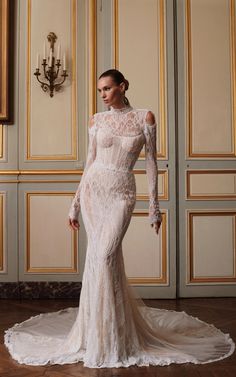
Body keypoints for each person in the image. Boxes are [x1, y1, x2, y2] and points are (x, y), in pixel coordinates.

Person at [4, 69, 235, 368]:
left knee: (105, 256)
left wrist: (155, 207)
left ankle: (116, 338)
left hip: (121, 195)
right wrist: (74, 205)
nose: (102, 95)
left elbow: (151, 164)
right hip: (93, 194)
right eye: (100, 90)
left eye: (107, 89)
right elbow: (89, 164)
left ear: (123, 86)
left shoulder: (144, 118)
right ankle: (100, 336)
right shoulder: (97, 120)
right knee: (99, 261)